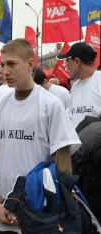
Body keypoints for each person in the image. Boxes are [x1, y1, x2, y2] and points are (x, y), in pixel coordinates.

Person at [0, 38, 81, 234]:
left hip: (39, 218)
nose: (5, 71)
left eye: (11, 64)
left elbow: (62, 166)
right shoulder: (0, 105)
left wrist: (53, 211)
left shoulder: (50, 105)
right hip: (4, 215)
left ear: (29, 64)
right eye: (2, 64)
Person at [57, 42, 101, 222]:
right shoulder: (75, 87)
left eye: (67, 61)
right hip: (77, 165)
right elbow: (70, 119)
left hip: (95, 166)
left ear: (76, 61)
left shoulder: (99, 81)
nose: (65, 65)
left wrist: (90, 153)